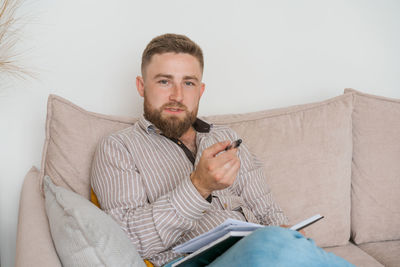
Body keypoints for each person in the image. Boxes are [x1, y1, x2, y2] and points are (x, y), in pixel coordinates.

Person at [90, 33, 354, 267]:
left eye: (189, 83)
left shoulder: (227, 138)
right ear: (141, 86)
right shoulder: (117, 147)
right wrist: (198, 186)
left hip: (260, 250)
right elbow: (128, 240)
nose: (177, 95)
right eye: (164, 81)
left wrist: (287, 233)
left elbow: (267, 209)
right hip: (190, 262)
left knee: (284, 242)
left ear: (201, 90)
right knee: (272, 243)